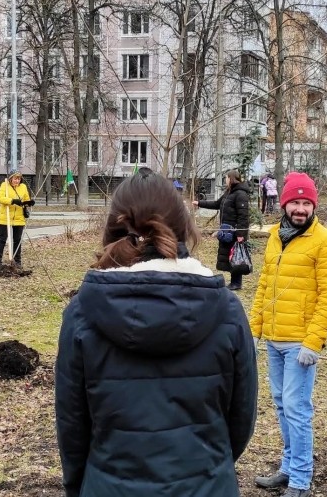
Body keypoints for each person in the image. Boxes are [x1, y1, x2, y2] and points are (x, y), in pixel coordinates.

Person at [55, 168, 258, 496]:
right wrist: (206, 468)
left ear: (113, 229)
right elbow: (242, 419)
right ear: (183, 228)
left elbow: (71, 430)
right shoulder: (227, 310)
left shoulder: (82, 314)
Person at [249, 172, 327, 497]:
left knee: (297, 408)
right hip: (275, 338)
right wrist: (254, 331)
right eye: (295, 202)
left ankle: (301, 481)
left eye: (306, 203)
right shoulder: (276, 236)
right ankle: (288, 468)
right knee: (281, 404)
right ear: (285, 204)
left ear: (313, 206)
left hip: (300, 344)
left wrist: (313, 342)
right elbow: (265, 287)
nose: (300, 209)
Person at [192, 169, 252, 290]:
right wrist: (199, 203)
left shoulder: (240, 194)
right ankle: (234, 281)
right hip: (227, 231)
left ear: (231, 178)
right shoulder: (229, 193)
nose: (225, 180)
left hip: (235, 231)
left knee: (236, 256)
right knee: (229, 256)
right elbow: (216, 204)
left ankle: (236, 282)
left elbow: (243, 216)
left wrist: (241, 233)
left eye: (226, 178)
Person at [0, 171, 33, 269]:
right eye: (15, 178)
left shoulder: (23, 187)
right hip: (5, 217)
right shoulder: (5, 185)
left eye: (19, 179)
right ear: (11, 178)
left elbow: (25, 200)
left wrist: (29, 203)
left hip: (19, 218)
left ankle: (17, 262)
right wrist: (12, 201)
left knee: (18, 240)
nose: (17, 180)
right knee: (2, 239)